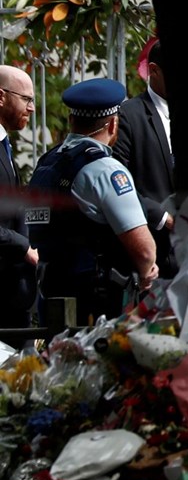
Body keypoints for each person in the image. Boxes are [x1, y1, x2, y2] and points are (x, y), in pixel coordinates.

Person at [27, 78, 159, 319]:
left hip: (51, 301)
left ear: (71, 121)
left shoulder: (47, 163)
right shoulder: (106, 170)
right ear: (113, 123)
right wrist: (146, 270)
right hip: (96, 307)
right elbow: (144, 252)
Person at [113, 40, 178, 278]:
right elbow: (117, 182)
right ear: (153, 70)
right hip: (155, 255)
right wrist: (161, 217)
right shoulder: (129, 115)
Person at [0, 66, 38, 326]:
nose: (32, 108)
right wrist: (22, 246)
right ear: (1, 97)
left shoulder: (5, 144)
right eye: (26, 99)